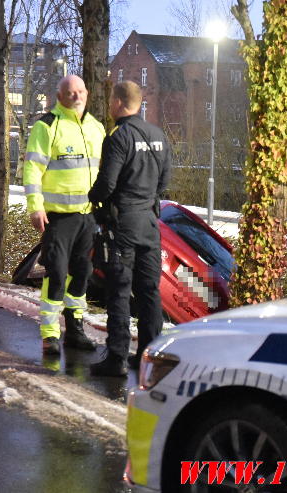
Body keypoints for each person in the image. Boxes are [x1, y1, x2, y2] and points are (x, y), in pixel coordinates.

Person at [88, 81, 171, 377]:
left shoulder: (118, 136)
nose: (110, 105)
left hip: (123, 224)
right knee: (149, 291)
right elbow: (163, 183)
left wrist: (93, 198)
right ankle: (149, 355)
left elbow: (107, 183)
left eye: (112, 100)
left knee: (120, 291)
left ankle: (116, 357)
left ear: (120, 103)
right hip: (150, 223)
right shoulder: (158, 134)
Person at [23, 75, 106, 355]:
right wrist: (35, 206)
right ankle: (49, 333)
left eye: (80, 91)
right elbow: (33, 169)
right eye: (70, 93)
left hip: (87, 216)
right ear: (59, 96)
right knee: (56, 274)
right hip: (57, 217)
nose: (76, 97)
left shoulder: (96, 128)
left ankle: (75, 328)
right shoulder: (46, 126)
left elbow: (104, 172)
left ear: (87, 93)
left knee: (82, 273)